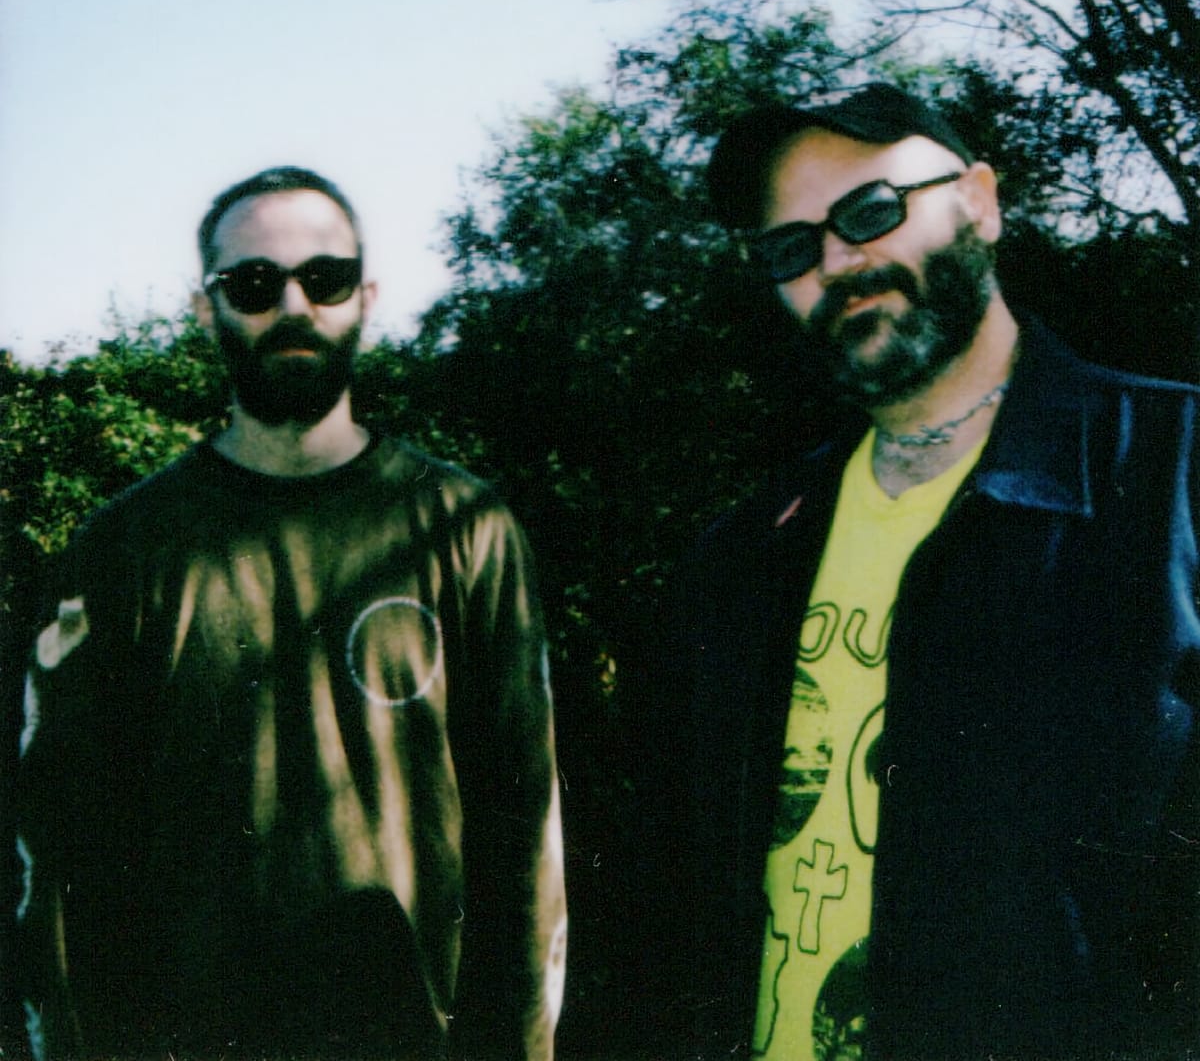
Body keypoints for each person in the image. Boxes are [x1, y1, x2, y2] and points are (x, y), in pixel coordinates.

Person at [649, 85, 1200, 1059]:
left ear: (980, 201)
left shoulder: (1172, 471)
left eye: (871, 212)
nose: (836, 261)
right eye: (791, 248)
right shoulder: (744, 557)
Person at [17, 167, 567, 1060]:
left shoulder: (467, 526)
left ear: (367, 296)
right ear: (208, 309)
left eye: (327, 278)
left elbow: (524, 825)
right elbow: (65, 849)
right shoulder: (126, 547)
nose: (295, 307)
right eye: (254, 285)